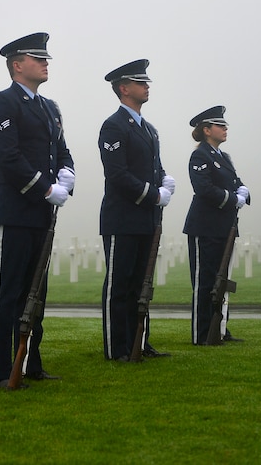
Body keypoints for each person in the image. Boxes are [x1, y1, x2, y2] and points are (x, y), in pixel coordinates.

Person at [0, 32, 75, 388]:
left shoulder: (49, 107)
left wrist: (67, 174)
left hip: (42, 214)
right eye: (38, 59)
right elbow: (7, 156)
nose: (45, 62)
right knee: (6, 293)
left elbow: (61, 150)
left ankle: (30, 362)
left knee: (36, 294)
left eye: (46, 58)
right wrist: (45, 187)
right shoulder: (3, 102)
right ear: (17, 65)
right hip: (13, 211)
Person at [98, 59, 175, 362]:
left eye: (146, 82)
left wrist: (164, 179)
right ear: (124, 88)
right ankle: (117, 348)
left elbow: (152, 168)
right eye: (140, 82)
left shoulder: (149, 129)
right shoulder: (114, 126)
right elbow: (118, 175)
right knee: (120, 285)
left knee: (141, 285)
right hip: (123, 218)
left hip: (146, 219)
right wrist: (153, 194)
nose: (147, 86)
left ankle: (139, 342)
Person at [183, 105, 250, 345]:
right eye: (220, 125)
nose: (225, 129)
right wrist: (234, 198)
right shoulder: (200, 155)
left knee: (222, 280)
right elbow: (204, 189)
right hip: (205, 227)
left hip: (225, 227)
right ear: (207, 130)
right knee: (205, 282)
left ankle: (220, 328)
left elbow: (236, 182)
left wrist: (243, 190)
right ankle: (202, 334)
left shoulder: (223, 157)